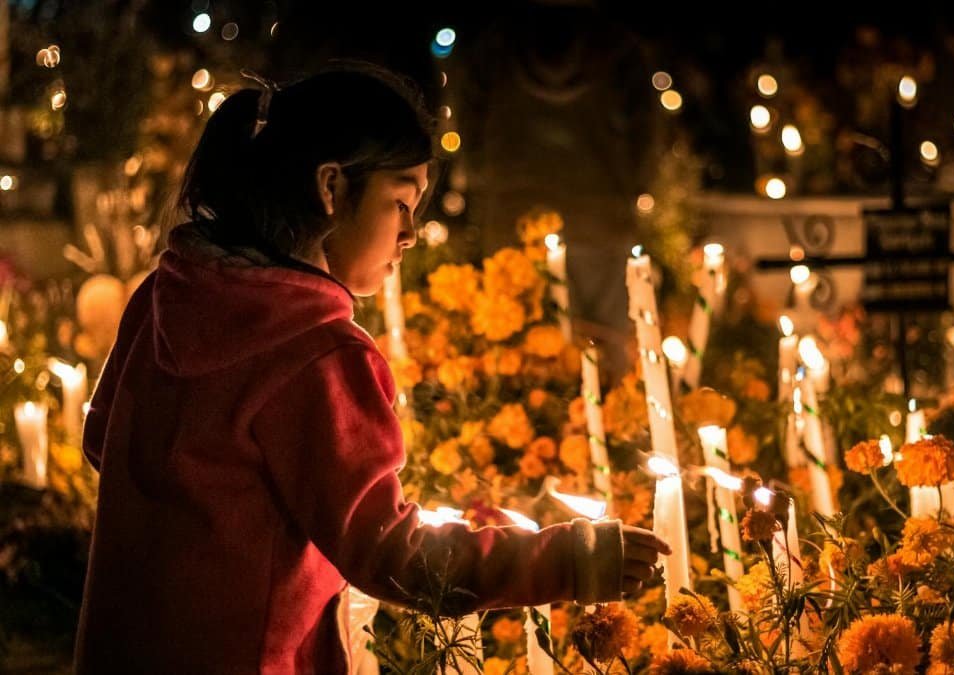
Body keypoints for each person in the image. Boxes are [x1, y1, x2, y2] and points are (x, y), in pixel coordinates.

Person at [74, 62, 669, 674]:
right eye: (401, 201)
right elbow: (392, 553)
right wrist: (567, 560)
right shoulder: (317, 355)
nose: (411, 233)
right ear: (331, 188)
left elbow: (103, 440)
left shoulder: (167, 293)